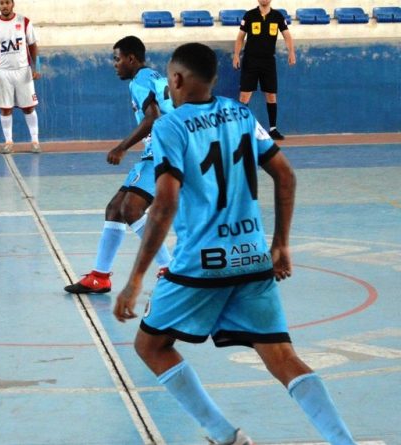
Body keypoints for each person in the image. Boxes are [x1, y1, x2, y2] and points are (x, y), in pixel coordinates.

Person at [114, 43, 356, 445]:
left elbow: (165, 204)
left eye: (170, 78)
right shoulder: (242, 114)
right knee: (283, 357)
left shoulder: (170, 127)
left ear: (177, 79)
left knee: (150, 346)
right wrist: (281, 244)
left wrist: (136, 277)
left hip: (201, 262)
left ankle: (224, 435)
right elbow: (286, 176)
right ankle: (343, 441)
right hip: (252, 257)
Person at [64, 36, 172, 295]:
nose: (115, 64)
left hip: (166, 153)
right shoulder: (151, 76)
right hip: (158, 152)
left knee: (131, 209)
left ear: (131, 59)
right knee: (115, 209)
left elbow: (152, 117)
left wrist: (122, 147)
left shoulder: (140, 81)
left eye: (117, 58)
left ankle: (170, 269)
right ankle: (100, 277)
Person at [0, 0, 41, 154]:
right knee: (5, 108)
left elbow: (33, 46)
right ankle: (8, 142)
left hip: (23, 70)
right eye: (1, 3)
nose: (4, 6)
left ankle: (35, 141)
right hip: (2, 72)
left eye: (7, 2)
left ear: (12, 4)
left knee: (28, 107)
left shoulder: (24, 22)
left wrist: (37, 67)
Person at [233, 0, 296, 140]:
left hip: (268, 62)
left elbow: (287, 35)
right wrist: (236, 55)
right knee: (244, 96)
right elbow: (240, 37)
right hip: (250, 60)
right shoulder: (249, 15)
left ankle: (273, 129)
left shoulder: (278, 16)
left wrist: (291, 52)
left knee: (271, 95)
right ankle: (241, 130)